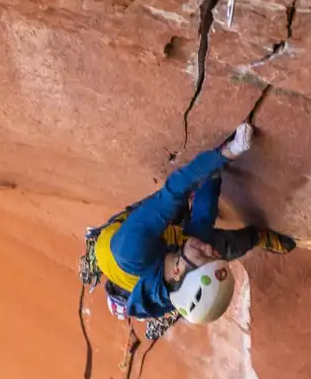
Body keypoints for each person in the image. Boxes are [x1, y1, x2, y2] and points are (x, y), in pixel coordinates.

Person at [82, 123, 295, 328]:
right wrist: (212, 179)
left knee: (177, 205)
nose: (209, 251)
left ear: (176, 271)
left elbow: (174, 190)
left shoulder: (131, 249)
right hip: (167, 252)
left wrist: (223, 154)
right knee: (215, 243)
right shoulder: (175, 290)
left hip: (131, 233)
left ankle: (197, 202)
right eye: (214, 257)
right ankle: (256, 237)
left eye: (206, 257)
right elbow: (203, 223)